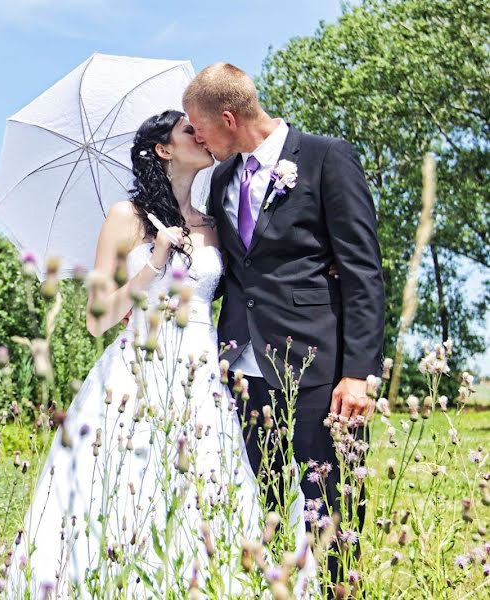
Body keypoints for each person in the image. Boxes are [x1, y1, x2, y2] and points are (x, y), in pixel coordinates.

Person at [6, 110, 316, 598]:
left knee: (204, 487)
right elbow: (98, 318)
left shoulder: (213, 223)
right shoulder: (125, 218)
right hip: (139, 370)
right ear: (163, 150)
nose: (202, 135)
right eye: (189, 131)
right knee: (131, 483)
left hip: (203, 374)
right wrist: (154, 262)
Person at [183, 62, 385, 591]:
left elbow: (363, 269)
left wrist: (359, 373)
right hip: (243, 369)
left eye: (198, 126)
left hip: (318, 366)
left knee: (331, 502)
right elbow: (237, 270)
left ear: (227, 118)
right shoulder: (222, 177)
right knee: (261, 503)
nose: (197, 138)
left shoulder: (324, 158)